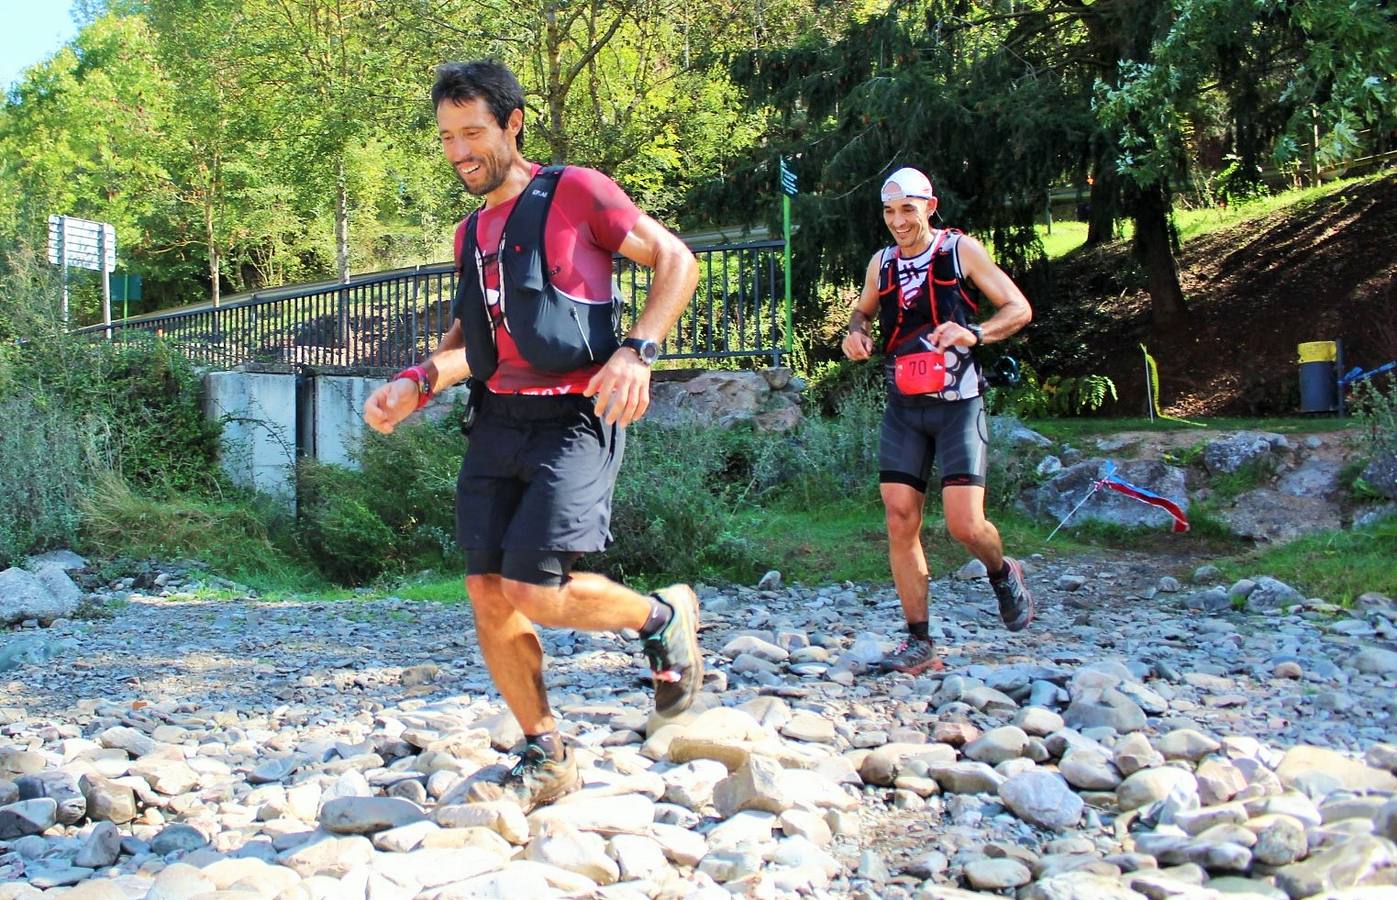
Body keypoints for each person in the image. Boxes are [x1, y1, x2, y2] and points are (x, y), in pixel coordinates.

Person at [363, 60, 702, 811]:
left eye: (473, 132)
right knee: (487, 591)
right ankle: (545, 750)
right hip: (498, 420)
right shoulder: (470, 232)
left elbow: (677, 259)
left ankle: (661, 616)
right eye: (447, 137)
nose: (458, 151)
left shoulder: (576, 191)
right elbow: (468, 345)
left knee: (535, 590)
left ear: (513, 124)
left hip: (576, 416)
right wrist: (416, 383)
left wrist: (638, 348)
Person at [841, 166, 1037, 675]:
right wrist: (856, 334)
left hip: (958, 403)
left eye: (908, 209)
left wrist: (976, 333)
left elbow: (1018, 308)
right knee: (900, 518)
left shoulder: (959, 251)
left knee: (965, 525)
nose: (898, 221)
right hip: (905, 406)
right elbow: (861, 314)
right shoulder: (880, 264)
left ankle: (1001, 569)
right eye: (889, 211)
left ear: (930, 205)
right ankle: (919, 641)